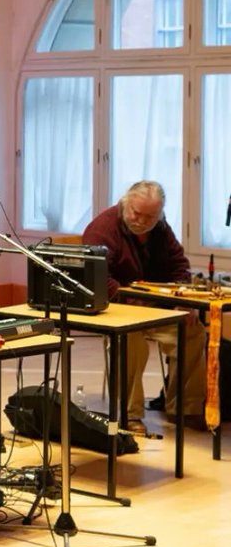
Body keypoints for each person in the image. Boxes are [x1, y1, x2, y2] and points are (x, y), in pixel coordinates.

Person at [81, 180, 206, 432]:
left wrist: (183, 301)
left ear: (159, 214)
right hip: (119, 310)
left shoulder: (160, 227)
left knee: (194, 331)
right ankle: (130, 415)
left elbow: (180, 265)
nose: (141, 221)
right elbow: (98, 279)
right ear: (125, 203)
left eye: (150, 217)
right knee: (129, 339)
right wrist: (135, 305)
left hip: (157, 309)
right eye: (136, 213)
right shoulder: (102, 229)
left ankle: (185, 408)